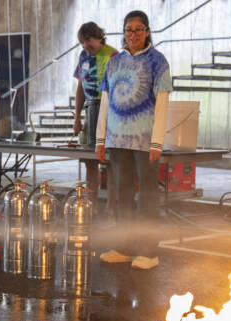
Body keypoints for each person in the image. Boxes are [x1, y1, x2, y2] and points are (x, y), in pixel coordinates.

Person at [95, 10, 171, 270]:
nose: (133, 34)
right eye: (129, 29)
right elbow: (105, 101)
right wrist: (100, 139)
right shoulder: (114, 62)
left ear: (147, 31)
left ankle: (149, 251)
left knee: (147, 195)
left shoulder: (157, 61)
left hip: (144, 141)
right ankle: (124, 248)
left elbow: (162, 103)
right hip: (117, 140)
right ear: (123, 32)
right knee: (123, 195)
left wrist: (157, 142)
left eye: (139, 29)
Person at [72, 22, 117, 217]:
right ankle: (93, 205)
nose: (85, 46)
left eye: (88, 40)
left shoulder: (113, 55)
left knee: (110, 162)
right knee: (90, 161)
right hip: (89, 108)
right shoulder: (83, 57)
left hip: (110, 111)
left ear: (99, 37)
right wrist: (77, 117)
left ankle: (111, 207)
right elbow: (80, 88)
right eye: (82, 42)